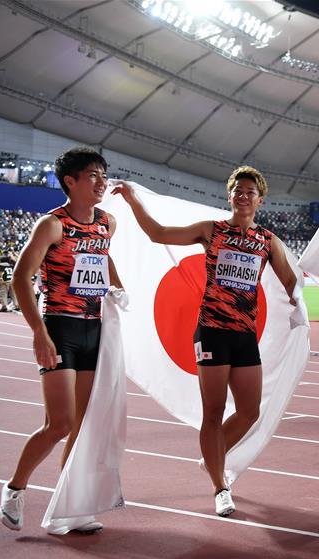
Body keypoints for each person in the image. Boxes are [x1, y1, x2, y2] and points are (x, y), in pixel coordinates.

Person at [112, 165, 298, 517]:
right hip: (212, 331)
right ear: (229, 196)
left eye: (250, 192)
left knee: (249, 411)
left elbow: (290, 281)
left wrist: (298, 305)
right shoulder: (211, 231)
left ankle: (212, 458)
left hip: (244, 334)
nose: (243, 196)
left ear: (260, 200)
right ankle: (219, 486)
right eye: (238, 191)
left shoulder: (267, 241)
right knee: (212, 413)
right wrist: (134, 200)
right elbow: (158, 233)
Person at [0, 147, 123, 533]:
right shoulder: (52, 225)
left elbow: (102, 259)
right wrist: (38, 332)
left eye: (104, 175)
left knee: (82, 425)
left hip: (94, 329)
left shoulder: (107, 222)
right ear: (70, 181)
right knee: (59, 424)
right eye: (92, 176)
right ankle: (15, 488)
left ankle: (66, 508)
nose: (101, 182)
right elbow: (21, 278)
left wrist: (118, 288)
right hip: (60, 329)